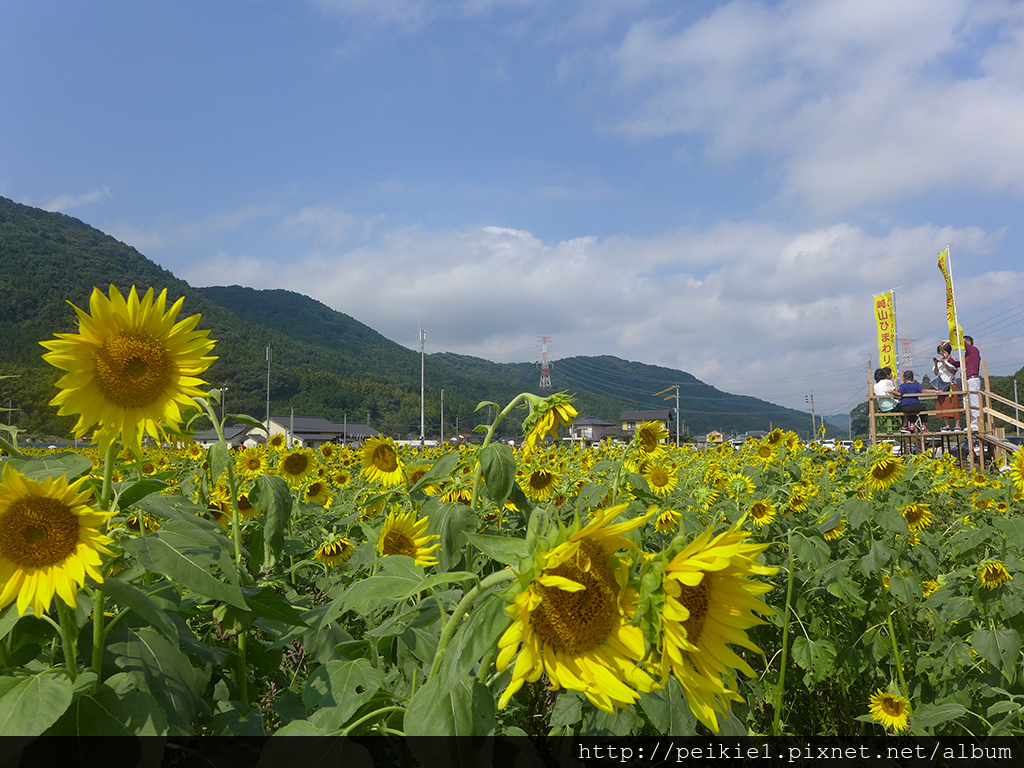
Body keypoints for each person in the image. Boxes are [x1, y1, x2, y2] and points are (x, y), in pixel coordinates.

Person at [932, 341, 962, 431]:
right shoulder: (939, 362)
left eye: (943, 351)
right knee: (944, 406)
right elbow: (936, 373)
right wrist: (936, 363)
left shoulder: (952, 361)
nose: (942, 353)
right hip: (942, 386)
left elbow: (954, 371)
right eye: (940, 352)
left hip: (951, 385)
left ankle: (957, 425)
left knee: (954, 404)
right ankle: (947, 425)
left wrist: (945, 363)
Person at [963, 335, 981, 431]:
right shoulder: (967, 355)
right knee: (968, 402)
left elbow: (962, 342)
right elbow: (958, 364)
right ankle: (971, 423)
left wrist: (950, 340)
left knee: (974, 401)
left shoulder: (973, 350)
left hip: (973, 379)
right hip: (967, 380)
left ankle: (976, 423)